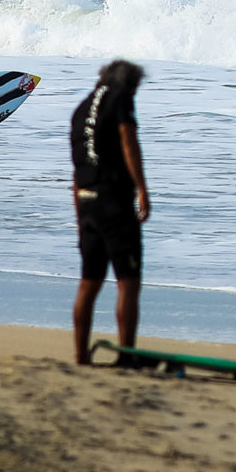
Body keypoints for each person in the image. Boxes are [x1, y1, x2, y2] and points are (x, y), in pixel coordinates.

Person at [68, 60, 151, 366]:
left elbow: (76, 171)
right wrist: (141, 188)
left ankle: (80, 356)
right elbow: (129, 142)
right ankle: (127, 356)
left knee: (89, 282)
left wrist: (79, 217)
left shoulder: (81, 109)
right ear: (128, 83)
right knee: (128, 281)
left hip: (87, 201)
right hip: (114, 201)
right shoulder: (120, 97)